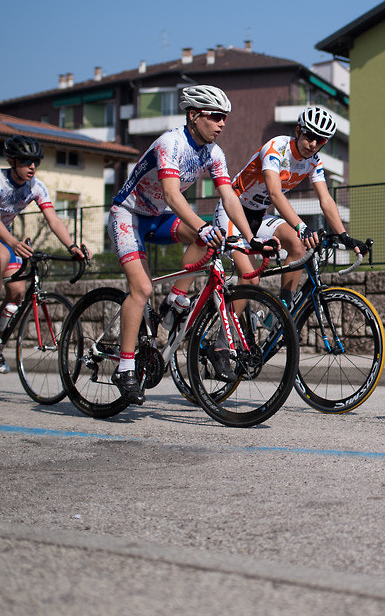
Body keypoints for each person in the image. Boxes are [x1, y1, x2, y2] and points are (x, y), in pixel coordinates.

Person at [107, 84, 275, 403]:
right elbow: (172, 194)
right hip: (128, 215)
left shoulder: (213, 153)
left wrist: (251, 240)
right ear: (195, 115)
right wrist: (201, 226)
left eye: (224, 117)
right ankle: (125, 368)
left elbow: (229, 196)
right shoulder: (169, 143)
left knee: (208, 237)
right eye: (215, 117)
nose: (222, 123)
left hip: (157, 216)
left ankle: (176, 300)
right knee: (141, 290)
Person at [213, 106, 365, 306]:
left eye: (320, 141)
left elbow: (326, 200)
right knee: (250, 277)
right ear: (298, 131)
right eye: (309, 136)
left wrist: (344, 235)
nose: (312, 144)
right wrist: (301, 226)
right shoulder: (276, 147)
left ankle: (284, 310)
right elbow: (275, 193)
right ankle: (225, 338)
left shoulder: (313, 161)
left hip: (258, 215)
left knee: (298, 245)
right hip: (232, 211)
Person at [0, 135, 85, 352]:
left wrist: (72, 246)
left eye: (36, 162)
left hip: (1, 234)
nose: (32, 167)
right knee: (2, 255)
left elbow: (53, 220)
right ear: (11, 162)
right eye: (26, 161)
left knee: (16, 292)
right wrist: (13, 243)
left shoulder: (36, 187)